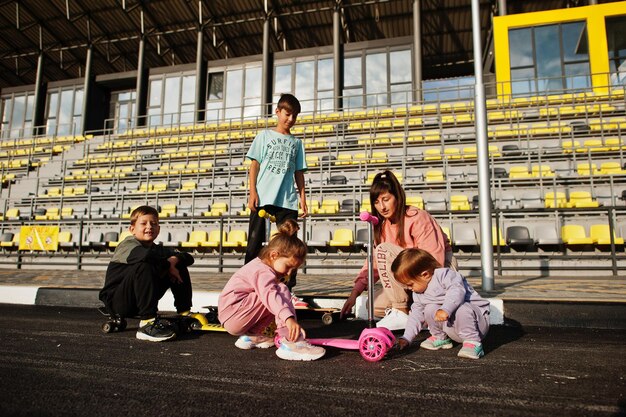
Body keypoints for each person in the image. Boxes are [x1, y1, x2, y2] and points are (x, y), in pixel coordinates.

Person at [340, 170, 457, 331]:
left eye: (386, 199)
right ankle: (418, 316)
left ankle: (403, 312)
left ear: (398, 197)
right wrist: (354, 293)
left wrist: (425, 295)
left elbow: (433, 260)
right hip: (409, 281)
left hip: (436, 272)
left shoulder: (418, 218)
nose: (382, 207)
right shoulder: (381, 227)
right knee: (372, 306)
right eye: (376, 202)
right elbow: (372, 265)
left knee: (383, 250)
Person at [218, 219, 325, 361]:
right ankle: (291, 342)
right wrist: (289, 319)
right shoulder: (262, 271)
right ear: (274, 255)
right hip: (235, 313)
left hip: (233, 314)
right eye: (288, 267)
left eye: (293, 270)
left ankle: (252, 337)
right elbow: (270, 295)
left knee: (275, 295)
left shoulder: (260, 267)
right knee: (279, 290)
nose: (288, 273)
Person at [244, 93, 308, 307]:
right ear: (278, 112)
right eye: (287, 114)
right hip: (263, 197)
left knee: (290, 247)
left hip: (287, 201)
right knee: (254, 243)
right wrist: (252, 192)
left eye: (295, 116)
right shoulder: (263, 136)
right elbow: (254, 165)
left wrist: (303, 199)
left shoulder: (297, 143)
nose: (290, 119)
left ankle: (287, 290)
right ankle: (249, 287)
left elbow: (299, 173)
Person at [99, 205, 194, 342]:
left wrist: (173, 261)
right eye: (143, 223)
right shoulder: (127, 245)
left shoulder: (156, 249)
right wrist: (168, 265)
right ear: (132, 229)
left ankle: (184, 313)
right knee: (145, 265)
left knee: (178, 263)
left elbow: (188, 257)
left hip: (139, 299)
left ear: (159, 229)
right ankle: (146, 325)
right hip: (118, 302)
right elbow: (146, 256)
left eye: (153, 223)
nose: (149, 227)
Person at [392, 248, 490, 359]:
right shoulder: (419, 293)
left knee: (462, 308)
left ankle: (473, 343)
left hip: (476, 325)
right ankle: (441, 337)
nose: (409, 289)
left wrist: (446, 309)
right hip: (453, 328)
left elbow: (456, 291)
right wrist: (406, 338)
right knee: (429, 309)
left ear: (425, 274)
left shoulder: (445, 275)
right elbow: (416, 315)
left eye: (410, 284)